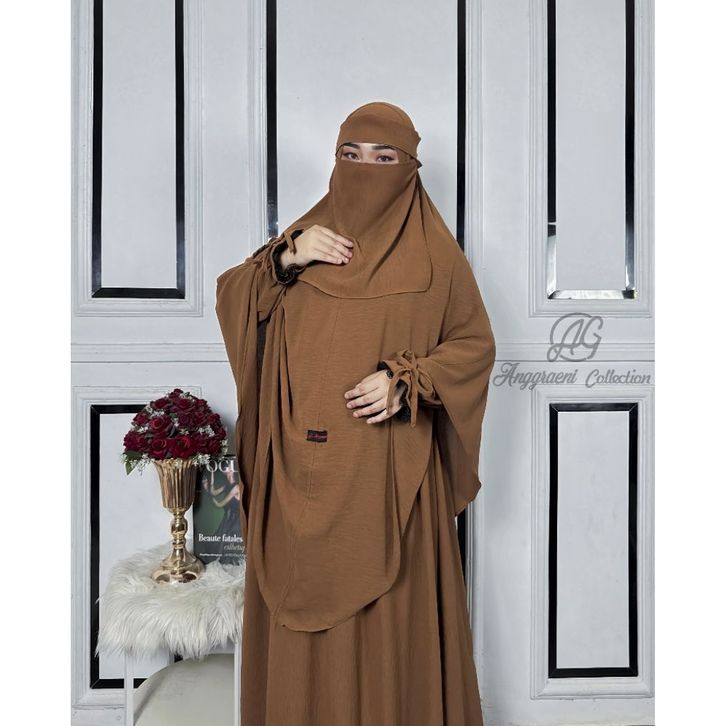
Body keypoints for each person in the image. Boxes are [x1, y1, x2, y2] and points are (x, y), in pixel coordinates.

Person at [215, 101, 496, 726]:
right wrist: (286, 258)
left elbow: (474, 345)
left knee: (386, 626)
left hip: (388, 477)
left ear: (410, 168)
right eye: (351, 154)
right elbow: (237, 299)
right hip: (296, 476)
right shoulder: (306, 238)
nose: (365, 168)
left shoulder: (436, 257)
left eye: (383, 157)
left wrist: (407, 380)